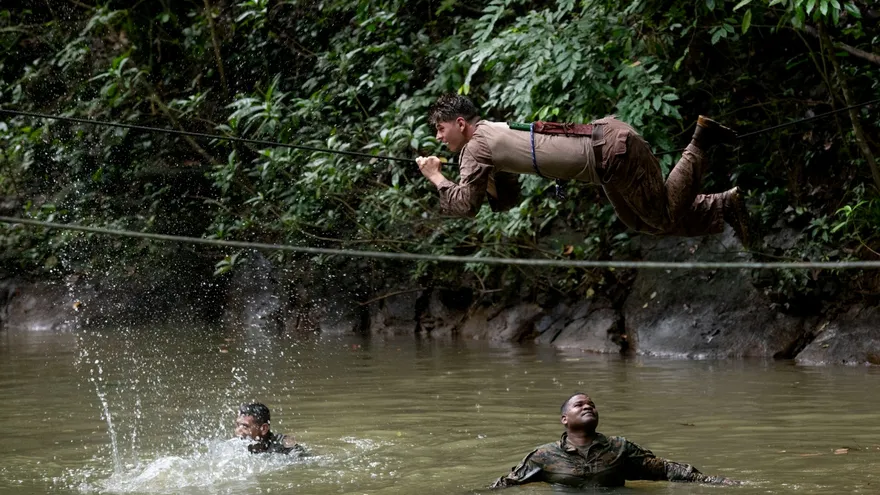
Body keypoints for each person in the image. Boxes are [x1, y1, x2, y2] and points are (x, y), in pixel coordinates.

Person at [415, 94, 751, 246]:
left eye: (441, 129)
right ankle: (723, 206)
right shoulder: (489, 135)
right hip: (608, 154)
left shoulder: (476, 146)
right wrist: (481, 183)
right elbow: (504, 199)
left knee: (661, 215)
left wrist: (434, 176)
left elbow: (465, 206)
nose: (438, 137)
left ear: (460, 124)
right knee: (639, 221)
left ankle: (701, 140)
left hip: (611, 154)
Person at [490, 393, 738, 489]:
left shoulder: (620, 447)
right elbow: (507, 484)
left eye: (592, 405)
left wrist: (716, 481)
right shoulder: (543, 456)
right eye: (580, 405)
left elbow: (666, 470)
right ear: (564, 419)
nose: (588, 406)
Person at [234, 402, 306, 455]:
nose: (238, 431)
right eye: (237, 425)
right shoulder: (235, 447)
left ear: (264, 429)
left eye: (245, 426)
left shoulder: (285, 448)